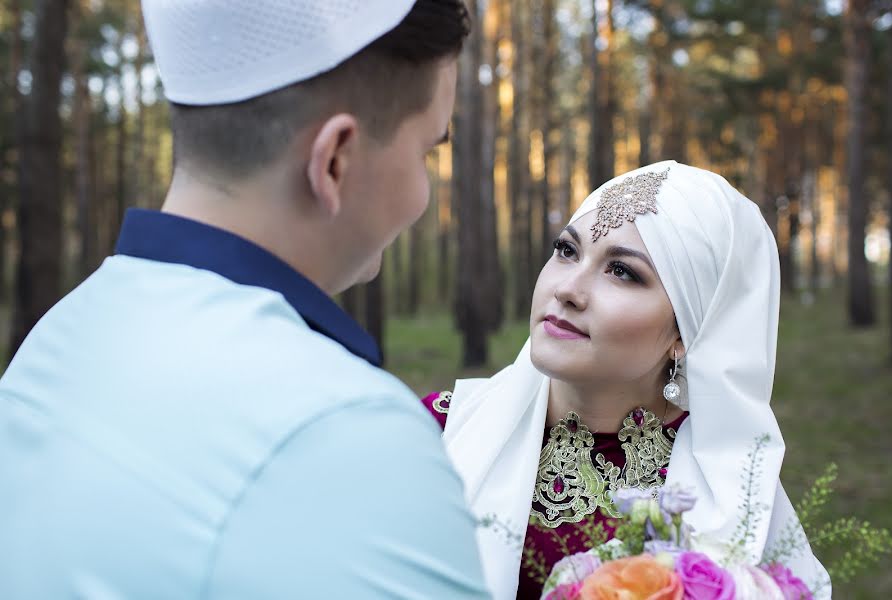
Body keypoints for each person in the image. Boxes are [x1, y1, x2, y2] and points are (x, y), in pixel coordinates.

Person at [0, 1, 489, 598]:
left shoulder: (59, 338)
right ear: (334, 160)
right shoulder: (348, 428)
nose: (423, 192)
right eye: (426, 152)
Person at [422, 160, 831, 599]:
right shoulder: (433, 434)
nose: (567, 290)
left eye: (622, 272)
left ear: (686, 333)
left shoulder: (731, 489)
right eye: (567, 251)